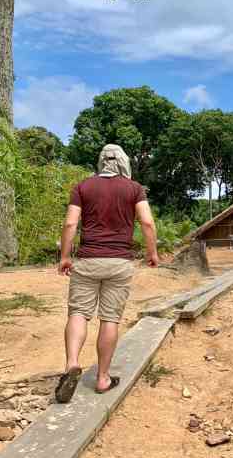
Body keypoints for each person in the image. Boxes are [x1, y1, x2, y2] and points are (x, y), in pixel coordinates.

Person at [54, 144, 159, 403]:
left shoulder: (83, 187)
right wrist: (151, 253)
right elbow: (147, 222)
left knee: (79, 312)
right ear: (124, 162)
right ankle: (102, 378)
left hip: (88, 260)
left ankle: (72, 365)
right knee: (110, 318)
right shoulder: (135, 189)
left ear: (101, 162)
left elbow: (70, 223)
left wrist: (65, 256)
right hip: (119, 262)